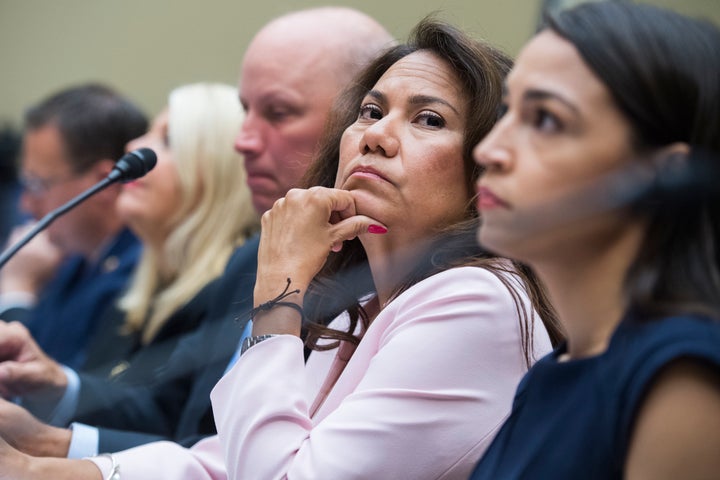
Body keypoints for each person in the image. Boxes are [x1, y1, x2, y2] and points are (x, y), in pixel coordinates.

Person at [0, 17, 565, 479]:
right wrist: (36, 467)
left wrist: (278, 290)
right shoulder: (360, 302)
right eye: (371, 111)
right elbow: (227, 461)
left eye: (428, 119)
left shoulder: (477, 299)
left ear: (485, 168)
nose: (374, 135)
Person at [0, 6, 395, 462]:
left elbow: (261, 462)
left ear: (358, 123)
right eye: (245, 111)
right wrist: (55, 400)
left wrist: (50, 449)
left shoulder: (383, 274)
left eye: (279, 112)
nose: (242, 141)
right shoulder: (250, 259)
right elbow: (178, 413)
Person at [468, 2, 720, 478]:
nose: (489, 150)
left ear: (666, 175)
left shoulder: (683, 378)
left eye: (544, 119)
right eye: (507, 111)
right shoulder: (551, 374)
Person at [0, 82, 257, 449]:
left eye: (167, 140)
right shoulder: (142, 283)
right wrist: (54, 384)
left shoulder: (228, 292)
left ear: (214, 172)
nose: (134, 147)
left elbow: (176, 431)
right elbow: (134, 405)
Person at [0, 84, 148, 369]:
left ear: (105, 182)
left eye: (38, 184)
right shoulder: (72, 259)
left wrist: (17, 291)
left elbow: (48, 390)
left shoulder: (136, 276)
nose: (26, 205)